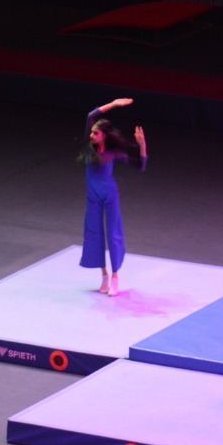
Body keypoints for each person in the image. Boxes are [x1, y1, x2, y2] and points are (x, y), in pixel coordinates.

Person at [79, 97, 147, 296]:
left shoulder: (114, 153)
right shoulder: (88, 147)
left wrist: (142, 145)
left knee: (113, 234)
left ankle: (116, 277)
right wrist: (114, 104)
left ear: (104, 136)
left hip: (109, 195)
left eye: (95, 133)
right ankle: (104, 276)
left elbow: (140, 166)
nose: (91, 135)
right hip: (93, 197)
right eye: (91, 132)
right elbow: (91, 115)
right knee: (94, 233)